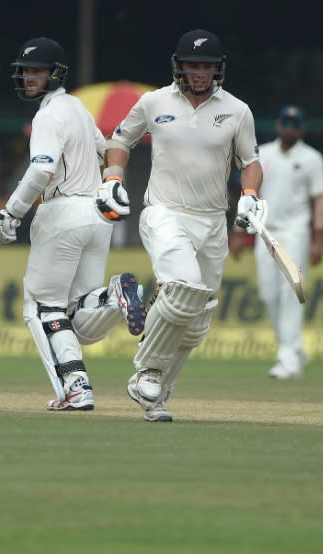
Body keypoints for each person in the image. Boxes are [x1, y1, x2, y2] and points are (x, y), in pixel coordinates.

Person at [105, 29, 265, 422]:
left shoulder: (237, 110)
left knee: (197, 320)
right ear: (179, 66)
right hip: (164, 211)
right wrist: (112, 179)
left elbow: (251, 162)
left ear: (217, 69)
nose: (199, 73)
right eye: (193, 65)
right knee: (182, 289)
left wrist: (250, 195)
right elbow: (119, 140)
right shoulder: (153, 101)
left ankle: (155, 396)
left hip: (212, 222)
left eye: (207, 66)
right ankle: (147, 370)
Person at [0, 37, 147, 412]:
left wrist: (11, 213)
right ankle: (112, 296)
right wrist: (111, 185)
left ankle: (75, 389)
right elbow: (108, 149)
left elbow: (41, 170)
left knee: (42, 307)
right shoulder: (77, 107)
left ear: (55, 73)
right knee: (75, 313)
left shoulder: (47, 114)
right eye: (25, 71)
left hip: (62, 213)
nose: (28, 77)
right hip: (96, 215)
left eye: (37, 71)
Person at [229, 105, 323, 379]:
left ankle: (287, 358)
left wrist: (318, 239)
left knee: (291, 290)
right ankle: (294, 349)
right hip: (264, 230)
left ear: (302, 128)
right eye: (285, 122)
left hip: (295, 230)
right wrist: (238, 233)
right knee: (268, 294)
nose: (289, 127)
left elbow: (320, 198)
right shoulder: (262, 154)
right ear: (278, 125)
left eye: (294, 123)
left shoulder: (312, 158)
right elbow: (247, 194)